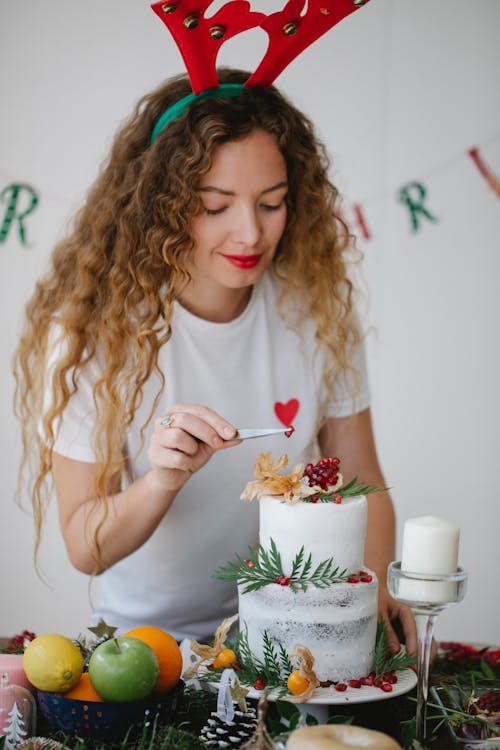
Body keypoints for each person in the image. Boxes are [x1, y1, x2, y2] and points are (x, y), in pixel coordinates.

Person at [14, 67, 416, 654]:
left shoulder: (316, 313)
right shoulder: (92, 338)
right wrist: (162, 481)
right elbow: (85, 546)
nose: (250, 233)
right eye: (215, 205)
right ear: (162, 206)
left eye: (272, 203)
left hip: (291, 638)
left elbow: (364, 483)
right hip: (148, 652)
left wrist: (373, 589)